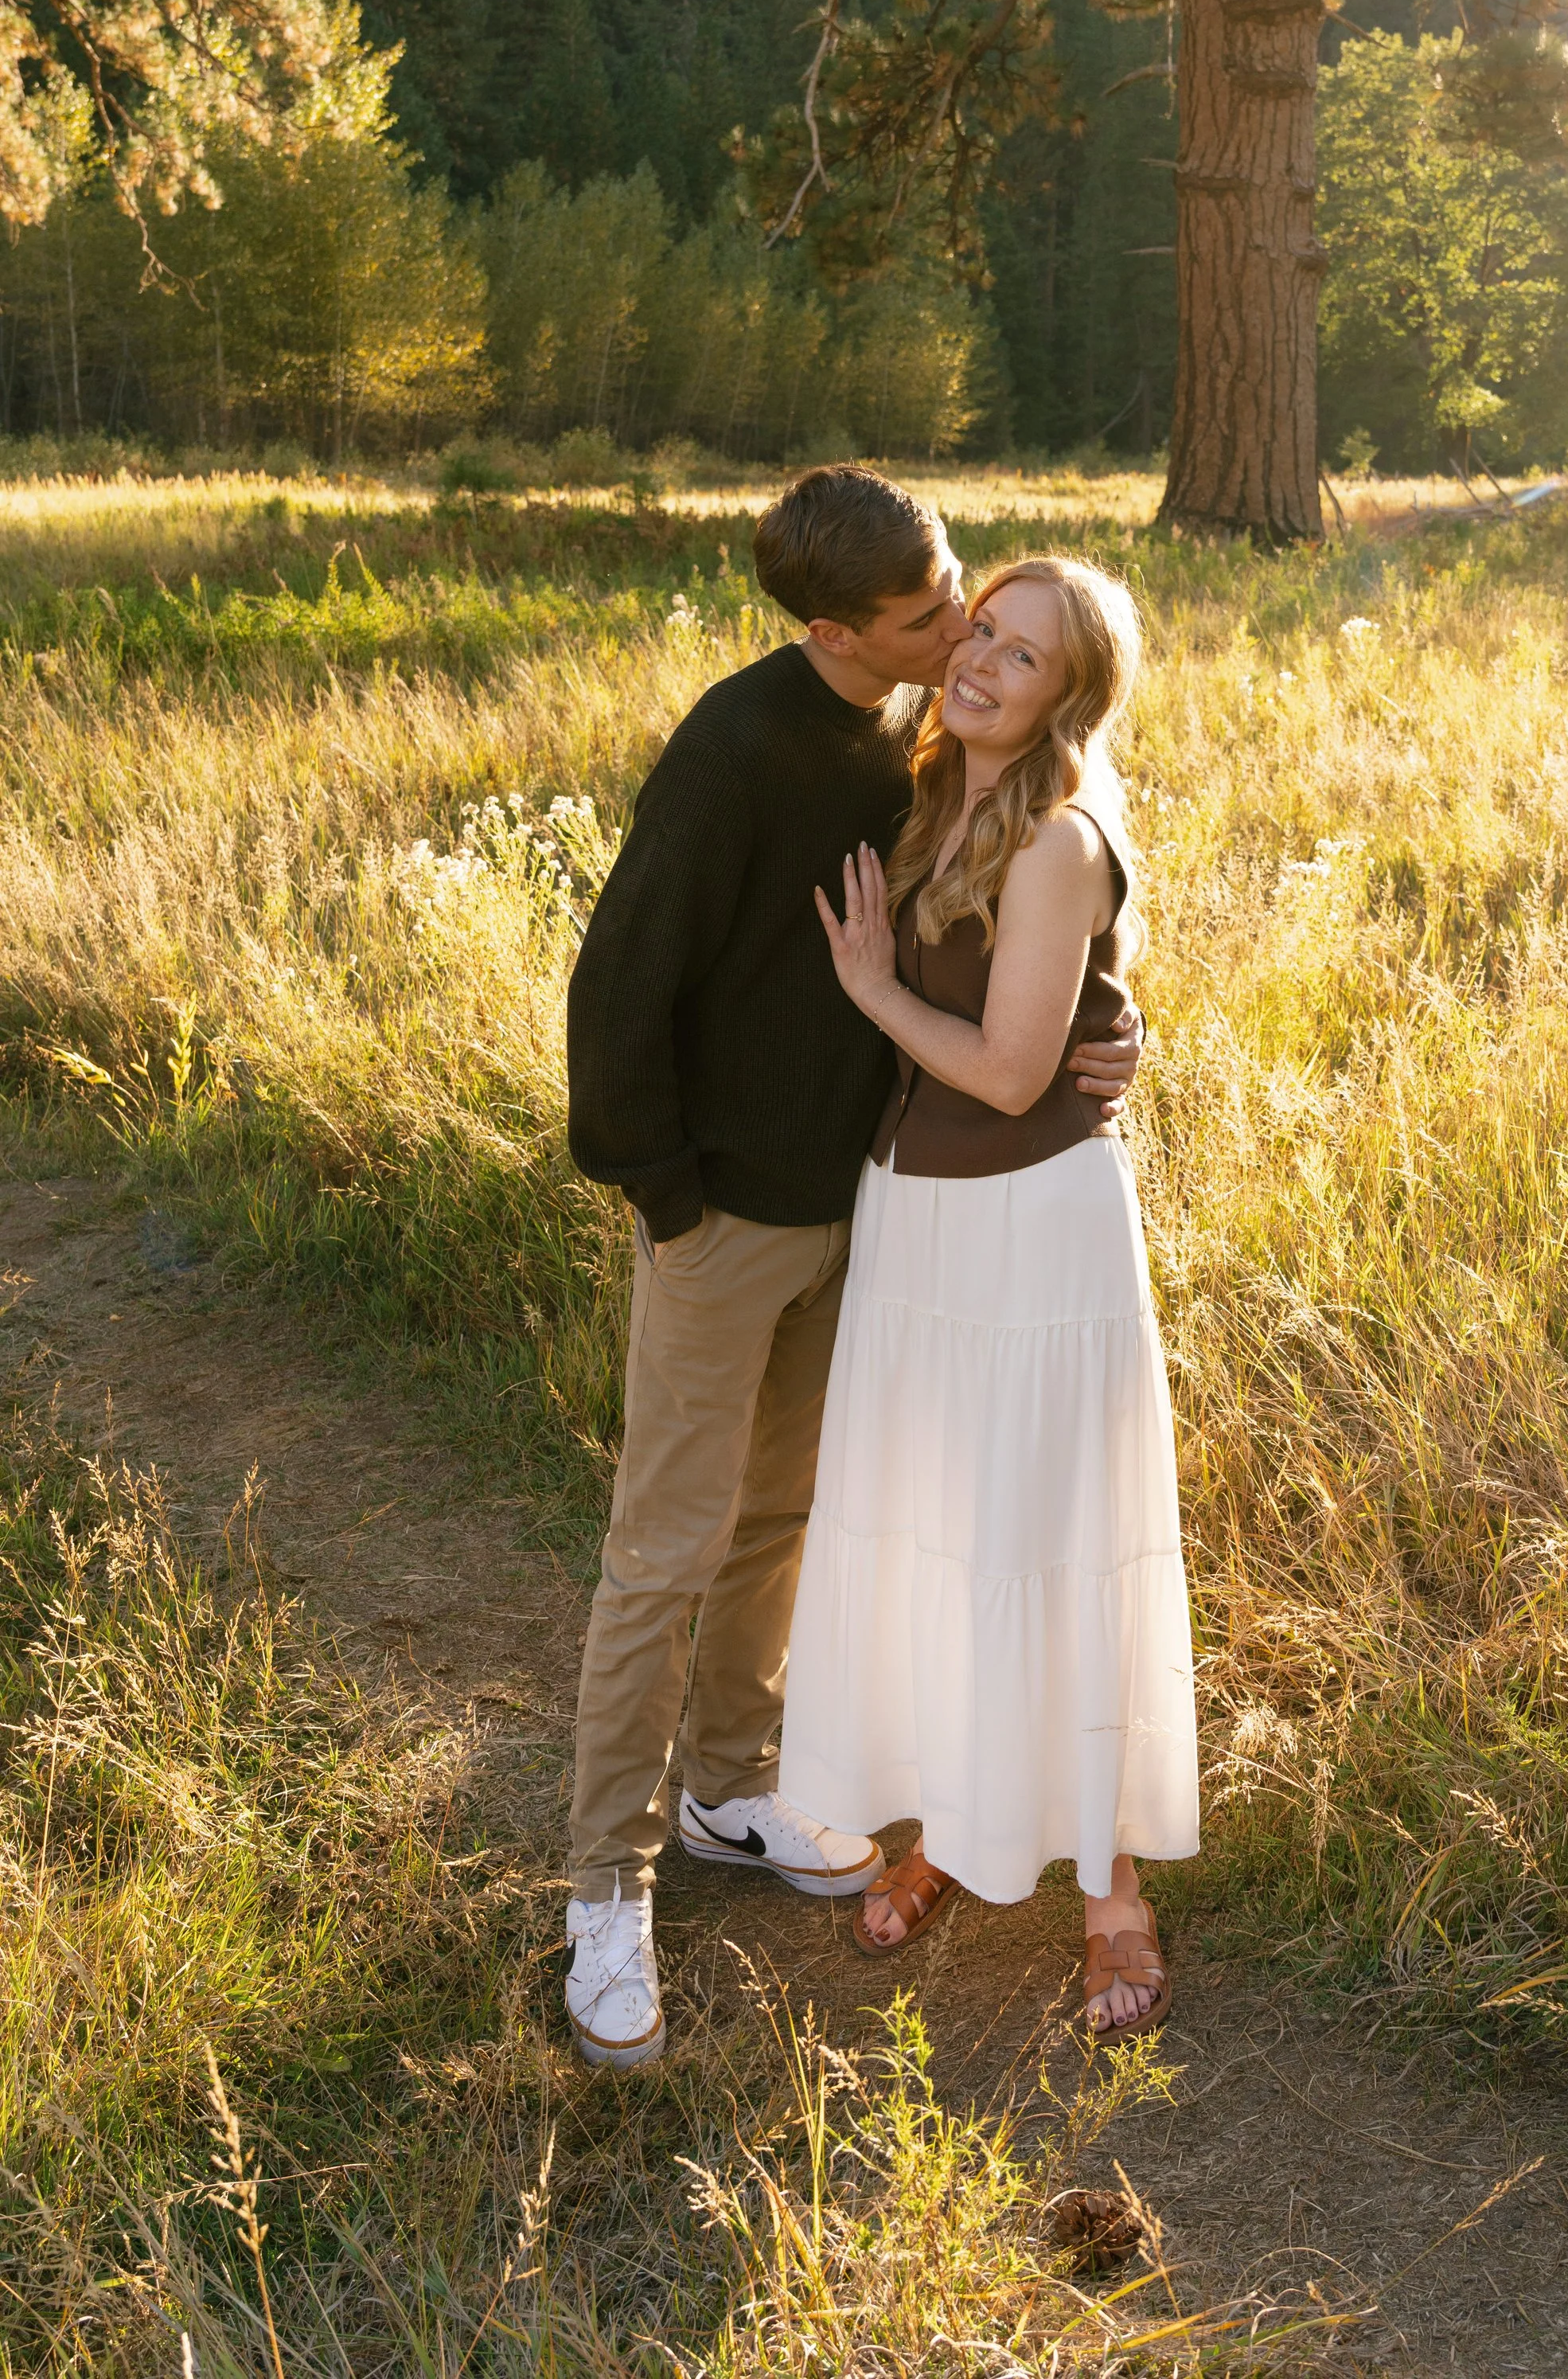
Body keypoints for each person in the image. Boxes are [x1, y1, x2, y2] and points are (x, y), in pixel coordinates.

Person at [560, 470, 1142, 2068]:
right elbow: (615, 983)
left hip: (867, 1212)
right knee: (663, 1548)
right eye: (927, 614)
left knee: (773, 1521)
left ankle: (731, 1792)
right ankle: (602, 1885)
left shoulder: (921, 742)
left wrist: (1109, 1023)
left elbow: (1030, 909)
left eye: (962, 593)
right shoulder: (734, 752)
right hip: (727, 1217)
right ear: (835, 631)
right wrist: (667, 1193)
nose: (958, 630)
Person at [778, 557, 1198, 2037]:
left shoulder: (1061, 837)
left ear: (1069, 696)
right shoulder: (924, 784)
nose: (985, 666)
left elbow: (1021, 1072)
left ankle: (1113, 1895)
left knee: (1056, 1538)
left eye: (1026, 658)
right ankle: (956, 1824)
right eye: (984, 633)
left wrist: (875, 988)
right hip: (918, 1222)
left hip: (1034, 1230)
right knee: (948, 1531)